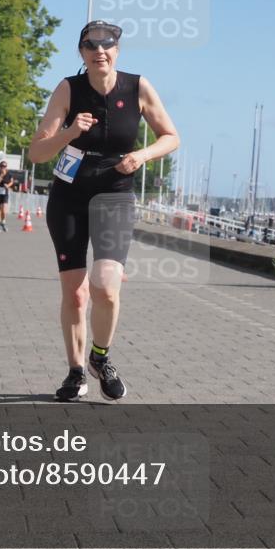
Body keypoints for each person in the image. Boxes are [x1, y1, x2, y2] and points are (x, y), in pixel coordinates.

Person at [28, 20, 179, 402]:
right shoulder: (68, 89)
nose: (100, 52)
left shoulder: (138, 87)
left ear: (117, 50)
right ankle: (75, 372)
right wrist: (68, 132)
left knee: (107, 286)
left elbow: (171, 137)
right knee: (76, 295)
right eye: (91, 46)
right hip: (70, 196)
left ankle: (101, 357)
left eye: (107, 45)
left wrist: (141, 156)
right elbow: (38, 152)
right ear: (81, 53)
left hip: (114, 192)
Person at [0, 161, 14, 233]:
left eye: (4, 166)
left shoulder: (9, 174)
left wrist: (8, 185)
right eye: (1, 166)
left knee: (4, 211)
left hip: (5, 194)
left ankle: (3, 222)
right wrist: (1, 177)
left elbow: (11, 182)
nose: (3, 168)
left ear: (6, 167)